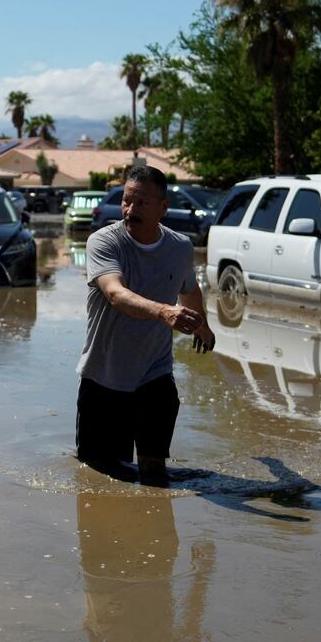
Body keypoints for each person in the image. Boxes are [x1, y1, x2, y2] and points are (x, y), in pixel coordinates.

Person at [77, 165, 213, 484]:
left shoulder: (179, 248)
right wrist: (165, 313)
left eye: (141, 203)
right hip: (104, 377)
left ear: (163, 208)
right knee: (100, 477)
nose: (130, 210)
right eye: (126, 201)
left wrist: (203, 326)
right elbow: (115, 294)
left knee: (154, 474)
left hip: (155, 373)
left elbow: (189, 289)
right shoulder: (104, 242)